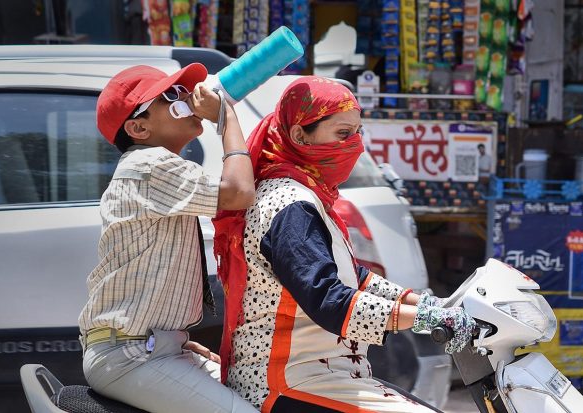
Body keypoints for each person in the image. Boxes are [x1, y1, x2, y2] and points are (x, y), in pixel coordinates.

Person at [213, 76, 476, 412]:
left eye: (357, 133)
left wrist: (431, 305)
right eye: (342, 134)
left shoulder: (308, 196)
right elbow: (328, 300)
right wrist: (426, 319)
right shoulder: (288, 203)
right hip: (284, 382)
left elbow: (354, 276)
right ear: (299, 136)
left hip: (329, 374)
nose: (355, 145)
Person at [78, 63, 259, 413]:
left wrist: (173, 342)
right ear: (138, 127)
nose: (189, 99)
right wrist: (227, 118)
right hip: (132, 356)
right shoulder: (148, 164)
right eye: (171, 95)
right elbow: (238, 191)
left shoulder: (163, 169)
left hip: (151, 349)